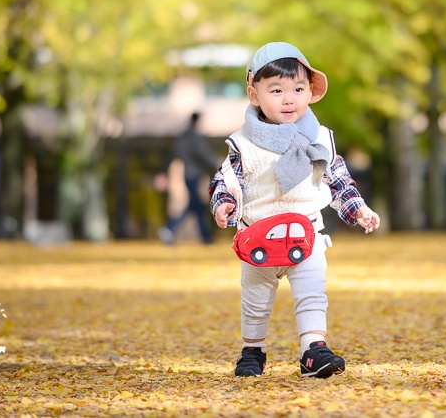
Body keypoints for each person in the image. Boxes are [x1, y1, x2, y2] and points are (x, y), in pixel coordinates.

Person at [209, 42, 381, 379]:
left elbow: (338, 180)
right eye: (276, 90)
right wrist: (225, 204)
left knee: (312, 293)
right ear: (254, 94)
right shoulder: (243, 142)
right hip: (258, 235)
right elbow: (226, 181)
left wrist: (358, 209)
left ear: (309, 92)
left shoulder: (320, 138)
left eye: (298, 89)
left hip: (307, 233)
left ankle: (313, 350)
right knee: (256, 300)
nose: (289, 98)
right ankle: (253, 350)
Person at [158, 111, 222, 245]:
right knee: (194, 205)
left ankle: (206, 238)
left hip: (187, 174)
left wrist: (163, 171)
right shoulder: (195, 137)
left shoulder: (182, 137)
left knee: (197, 206)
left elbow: (172, 154)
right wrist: (216, 162)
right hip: (195, 174)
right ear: (198, 121)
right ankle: (169, 228)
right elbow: (202, 153)